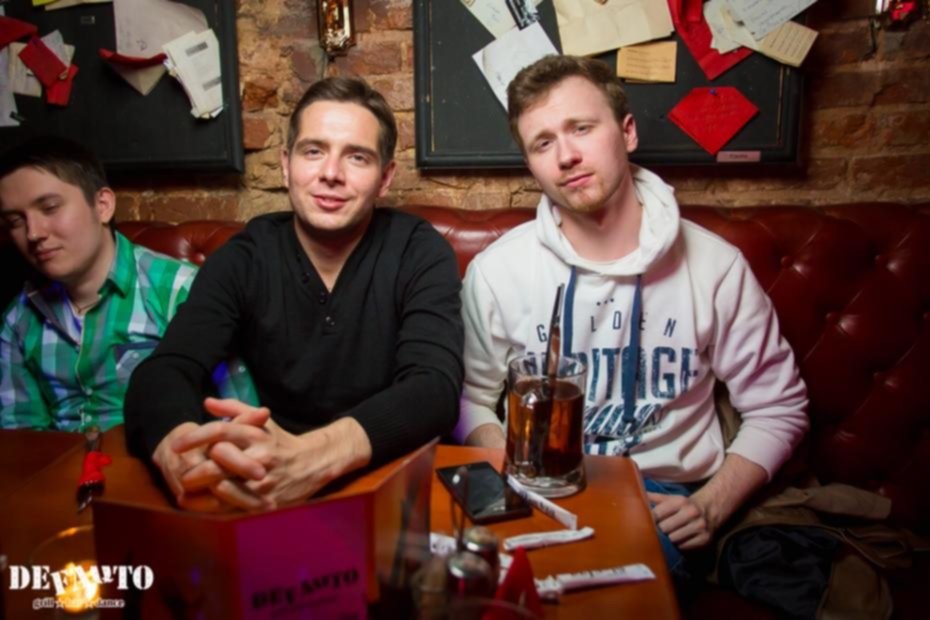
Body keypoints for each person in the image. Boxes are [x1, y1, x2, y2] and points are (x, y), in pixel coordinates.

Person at [455, 55, 809, 578]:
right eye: (543, 143)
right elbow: (470, 397)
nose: (566, 156)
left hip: (660, 491)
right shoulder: (497, 271)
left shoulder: (715, 267)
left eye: (581, 128)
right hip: (536, 484)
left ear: (627, 132)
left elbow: (779, 407)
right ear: (530, 163)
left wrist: (711, 505)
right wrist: (508, 471)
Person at [124, 77, 464, 514]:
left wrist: (313, 458)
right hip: (267, 486)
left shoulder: (418, 250)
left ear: (385, 178)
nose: (331, 173)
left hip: (391, 482)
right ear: (286, 165)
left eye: (357, 157)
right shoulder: (247, 256)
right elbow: (166, 369)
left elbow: (434, 387)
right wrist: (180, 448)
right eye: (313, 151)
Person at [0, 136, 253, 431]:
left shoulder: (181, 291)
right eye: (16, 221)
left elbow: (239, 416)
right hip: (60, 459)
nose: (33, 233)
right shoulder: (18, 318)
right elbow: (21, 435)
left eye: (50, 208)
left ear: (103, 205)